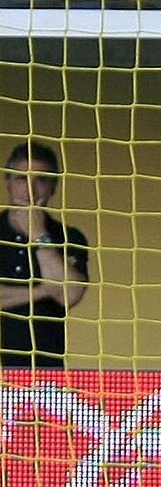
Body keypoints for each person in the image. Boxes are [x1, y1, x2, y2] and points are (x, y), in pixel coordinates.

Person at [1, 141, 90, 371]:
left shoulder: (69, 236)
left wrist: (39, 235)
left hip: (46, 374)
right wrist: (43, 290)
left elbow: (69, 294)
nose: (30, 189)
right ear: (7, 182)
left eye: (41, 180)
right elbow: (58, 288)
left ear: (53, 187)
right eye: (21, 179)